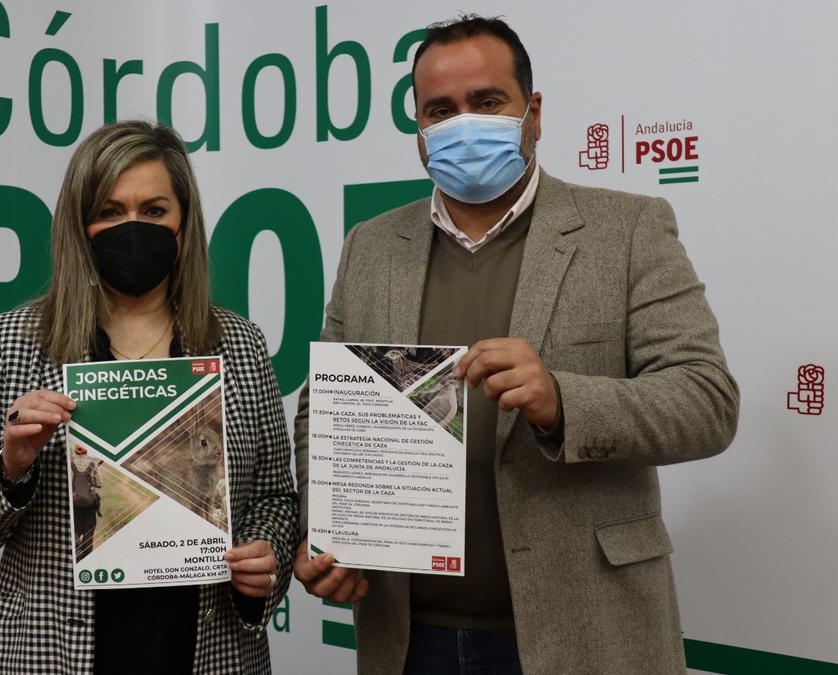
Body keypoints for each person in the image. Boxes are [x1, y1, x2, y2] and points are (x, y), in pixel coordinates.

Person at [292, 15, 739, 675]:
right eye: (440, 109)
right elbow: (320, 413)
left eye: (487, 101)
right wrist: (327, 534)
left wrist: (563, 398)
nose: (463, 122)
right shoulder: (371, 246)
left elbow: (707, 401)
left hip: (584, 630)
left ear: (533, 112)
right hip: (410, 639)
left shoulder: (627, 230)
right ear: (418, 129)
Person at [0, 120, 298, 674]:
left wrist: (261, 564)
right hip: (49, 656)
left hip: (208, 655)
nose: (133, 227)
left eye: (154, 211)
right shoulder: (11, 341)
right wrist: (11, 465)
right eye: (109, 211)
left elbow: (274, 499)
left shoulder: (238, 345)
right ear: (80, 226)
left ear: (184, 224)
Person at [69, 445, 101, 559]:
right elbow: (99, 484)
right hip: (89, 504)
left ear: (76, 453)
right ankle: (86, 556)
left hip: (74, 503)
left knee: (74, 528)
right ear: (86, 453)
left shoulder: (70, 465)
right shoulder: (92, 465)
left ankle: (76, 550)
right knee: (89, 529)